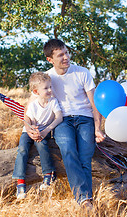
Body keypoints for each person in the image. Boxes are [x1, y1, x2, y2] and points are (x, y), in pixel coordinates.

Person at [26, 39, 105, 208]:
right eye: (60, 55)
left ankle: (85, 199)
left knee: (85, 158)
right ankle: (84, 199)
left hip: (85, 119)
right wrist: (28, 127)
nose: (66, 57)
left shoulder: (83, 72)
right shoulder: (48, 78)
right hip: (62, 121)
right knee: (68, 151)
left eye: (67, 52)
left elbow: (94, 103)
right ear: (50, 60)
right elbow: (30, 105)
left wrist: (98, 128)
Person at [12, 72, 63, 199]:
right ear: (36, 91)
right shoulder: (33, 104)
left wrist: (46, 130)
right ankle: (20, 183)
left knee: (42, 145)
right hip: (29, 131)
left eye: (50, 87)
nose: (50, 90)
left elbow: (59, 118)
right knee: (22, 150)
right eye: (46, 88)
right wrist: (30, 128)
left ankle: (49, 174)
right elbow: (28, 118)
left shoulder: (53, 102)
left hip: (43, 131)